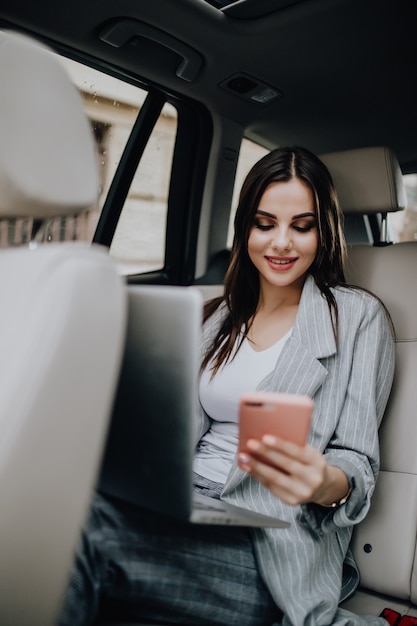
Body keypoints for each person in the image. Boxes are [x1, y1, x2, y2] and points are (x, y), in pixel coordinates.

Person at [59, 146, 395, 626]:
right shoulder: (216, 317)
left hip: (268, 543)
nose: (281, 242)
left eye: (302, 226)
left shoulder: (358, 317)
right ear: (245, 229)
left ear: (324, 232)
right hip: (180, 504)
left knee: (79, 530)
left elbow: (357, 464)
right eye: (264, 224)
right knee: (48, 503)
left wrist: (323, 482)